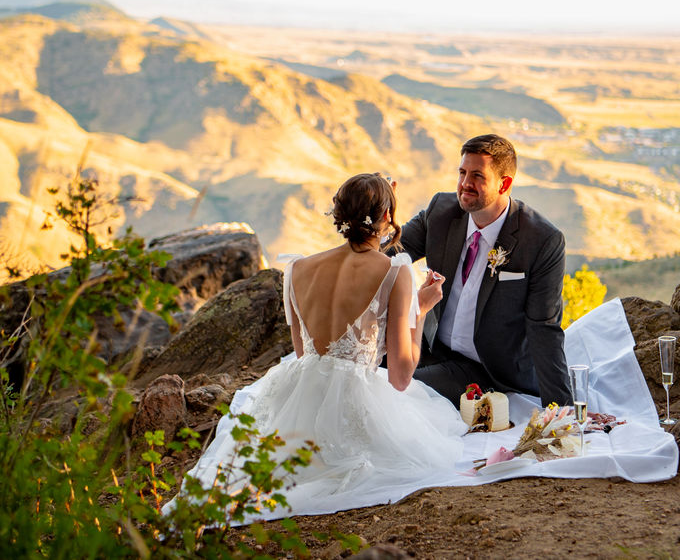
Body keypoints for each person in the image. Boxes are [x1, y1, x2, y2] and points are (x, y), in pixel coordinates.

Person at [164, 172, 465, 521]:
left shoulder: (297, 268)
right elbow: (400, 377)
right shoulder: (395, 272)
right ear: (386, 217)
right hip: (354, 404)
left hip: (296, 399)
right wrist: (420, 310)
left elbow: (306, 355)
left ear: (340, 217)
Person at [399, 134, 572, 408]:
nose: (465, 184)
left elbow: (544, 329)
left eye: (478, 175)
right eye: (462, 172)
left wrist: (562, 412)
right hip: (430, 348)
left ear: (505, 184)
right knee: (365, 368)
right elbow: (391, 254)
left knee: (404, 391)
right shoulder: (441, 212)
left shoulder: (541, 240)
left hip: (486, 370)